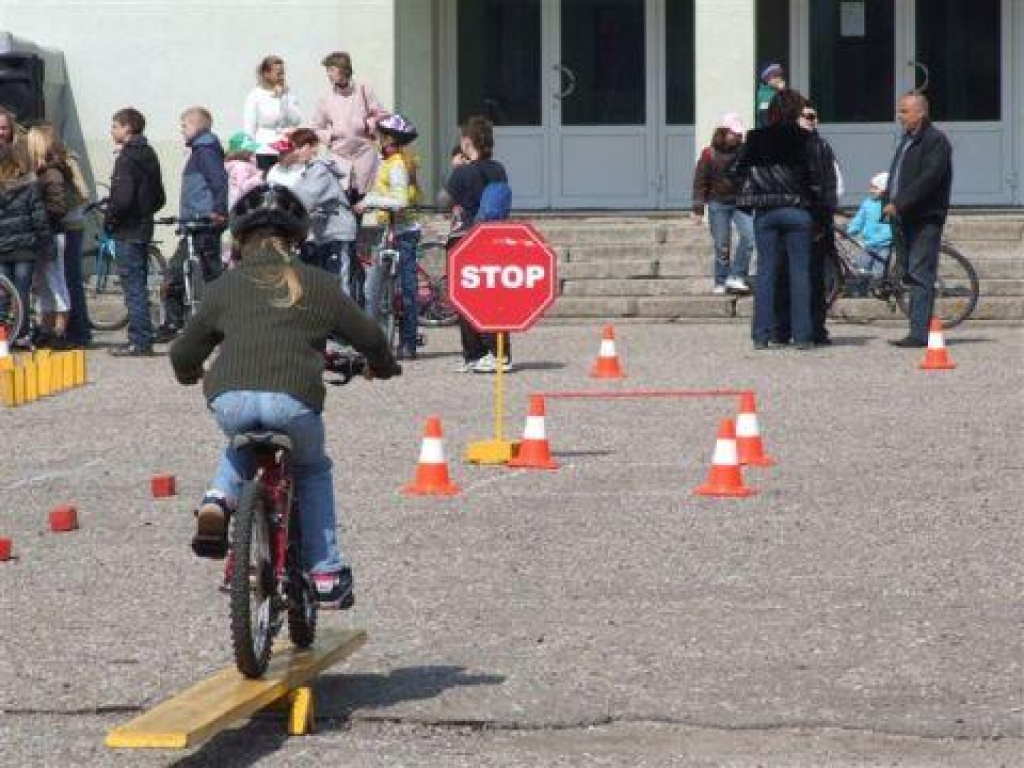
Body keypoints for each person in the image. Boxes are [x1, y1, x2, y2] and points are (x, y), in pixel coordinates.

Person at [169, 184, 400, 607]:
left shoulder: (225, 286)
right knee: (312, 471)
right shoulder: (318, 283)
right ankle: (326, 573)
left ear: (239, 239)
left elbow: (184, 349)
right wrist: (381, 367)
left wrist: (189, 374)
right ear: (297, 238)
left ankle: (218, 499)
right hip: (292, 400)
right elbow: (370, 336)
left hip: (231, 399)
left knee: (241, 440)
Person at [734, 89, 822, 350]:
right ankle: (803, 335)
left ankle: (762, 335)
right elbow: (815, 176)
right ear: (797, 111)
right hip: (798, 209)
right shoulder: (806, 138)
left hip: (766, 211)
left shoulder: (755, 138)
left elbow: (738, 171)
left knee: (766, 273)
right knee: (800, 272)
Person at [883, 92, 953, 348]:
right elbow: (900, 175)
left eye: (904, 111)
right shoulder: (907, 140)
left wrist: (900, 201)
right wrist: (887, 196)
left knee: (920, 272)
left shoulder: (935, 141)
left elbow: (929, 179)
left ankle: (919, 333)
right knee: (909, 272)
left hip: (925, 217)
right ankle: (916, 327)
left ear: (920, 113)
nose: (900, 116)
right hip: (904, 216)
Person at [444, 116, 512, 373]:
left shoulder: (463, 172)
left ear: (467, 142)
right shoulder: (498, 168)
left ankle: (479, 353)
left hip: (465, 239)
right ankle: (495, 353)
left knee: (464, 298)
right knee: (492, 296)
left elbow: (443, 202)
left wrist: (456, 171)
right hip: (492, 238)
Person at [156, 107, 228, 343]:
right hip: (193, 223)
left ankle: (219, 325)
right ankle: (175, 321)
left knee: (205, 275)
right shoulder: (199, 151)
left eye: (184, 126)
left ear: (197, 126)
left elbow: (219, 182)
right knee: (183, 272)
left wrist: (218, 211)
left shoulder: (205, 150)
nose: (182, 130)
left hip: (204, 223)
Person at [353, 114, 421, 360]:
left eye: (381, 136)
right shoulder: (389, 161)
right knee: (375, 287)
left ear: (390, 139)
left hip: (404, 232)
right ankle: (374, 341)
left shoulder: (399, 164)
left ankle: (409, 342)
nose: (377, 140)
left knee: (407, 287)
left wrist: (371, 201)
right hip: (388, 229)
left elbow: (400, 201)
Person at [105, 107, 166, 356]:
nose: (112, 131)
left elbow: (122, 198)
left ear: (127, 128)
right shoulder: (149, 153)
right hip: (143, 226)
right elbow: (159, 196)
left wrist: (110, 219)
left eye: (115, 126)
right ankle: (143, 336)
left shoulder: (127, 158)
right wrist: (145, 212)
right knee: (139, 284)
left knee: (133, 286)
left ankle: (139, 340)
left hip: (128, 230)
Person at [284, 129, 358, 292]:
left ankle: (343, 317)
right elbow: (292, 195)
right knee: (325, 283)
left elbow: (306, 198)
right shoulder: (308, 171)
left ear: (312, 147)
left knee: (338, 283)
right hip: (323, 235)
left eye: (299, 147)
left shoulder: (320, 170)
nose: (295, 152)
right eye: (294, 148)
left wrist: (286, 212)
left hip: (338, 233)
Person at [310, 51, 387, 197]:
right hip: (339, 155)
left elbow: (381, 114)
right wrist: (331, 136)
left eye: (331, 70)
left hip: (364, 154)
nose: (329, 74)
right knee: (341, 200)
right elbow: (316, 127)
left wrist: (369, 124)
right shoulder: (326, 98)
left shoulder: (364, 89)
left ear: (344, 69)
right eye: (327, 71)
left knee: (361, 200)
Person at [692, 113, 754, 295]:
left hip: (741, 202)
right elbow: (700, 182)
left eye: (739, 134)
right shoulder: (708, 154)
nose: (737, 137)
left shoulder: (744, 151)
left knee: (750, 237)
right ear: (723, 132)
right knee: (722, 245)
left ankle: (737, 276)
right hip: (717, 203)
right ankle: (720, 280)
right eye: (734, 133)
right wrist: (698, 209)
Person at [25, 125, 74, 348]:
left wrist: (37, 211)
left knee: (55, 281)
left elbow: (59, 206)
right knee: (43, 283)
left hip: (52, 233)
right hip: (44, 233)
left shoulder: (52, 173)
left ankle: (60, 329)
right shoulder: (41, 172)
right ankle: (46, 328)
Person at [797, 102, 840, 345]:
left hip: (818, 218)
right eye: (807, 116)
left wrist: (826, 215)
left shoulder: (822, 146)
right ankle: (801, 328)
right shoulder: (794, 145)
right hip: (801, 216)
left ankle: (816, 328)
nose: (811, 120)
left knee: (816, 276)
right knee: (802, 276)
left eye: (814, 116)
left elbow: (832, 184)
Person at [0, 142, 49, 344]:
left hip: (2, 247)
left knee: (2, 293)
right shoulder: (29, 185)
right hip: (25, 248)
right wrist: (46, 242)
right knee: (22, 292)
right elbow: (39, 216)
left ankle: (3, 335)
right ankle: (21, 334)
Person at [243, 55, 302, 171]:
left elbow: (296, 120)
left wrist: (283, 99)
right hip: (264, 150)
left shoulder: (288, 94)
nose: (282, 77)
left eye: (283, 73)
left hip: (286, 149)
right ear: (266, 74)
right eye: (278, 73)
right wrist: (249, 153)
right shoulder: (255, 95)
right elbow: (249, 127)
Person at [62, 146, 93, 347]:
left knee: (70, 279)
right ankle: (78, 330)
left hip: (68, 225)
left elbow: (83, 192)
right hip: (71, 224)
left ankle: (79, 331)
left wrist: (58, 206)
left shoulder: (67, 159)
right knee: (69, 279)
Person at [847, 172, 893, 276]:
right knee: (861, 267)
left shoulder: (890, 205)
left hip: (884, 245)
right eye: (871, 187)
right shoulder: (867, 203)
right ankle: (863, 286)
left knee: (879, 270)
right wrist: (851, 230)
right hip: (868, 243)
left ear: (884, 189)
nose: (871, 190)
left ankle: (877, 288)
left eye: (875, 188)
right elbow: (859, 219)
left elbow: (895, 224)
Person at [224, 132, 264, 208]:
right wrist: (259, 177)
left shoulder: (237, 163)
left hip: (236, 200)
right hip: (241, 203)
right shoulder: (241, 166)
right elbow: (243, 186)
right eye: (250, 149)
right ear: (241, 151)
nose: (252, 151)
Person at [755, 63, 786, 128]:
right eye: (775, 76)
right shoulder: (764, 94)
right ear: (766, 78)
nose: (779, 79)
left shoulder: (778, 92)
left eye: (779, 75)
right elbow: (764, 116)